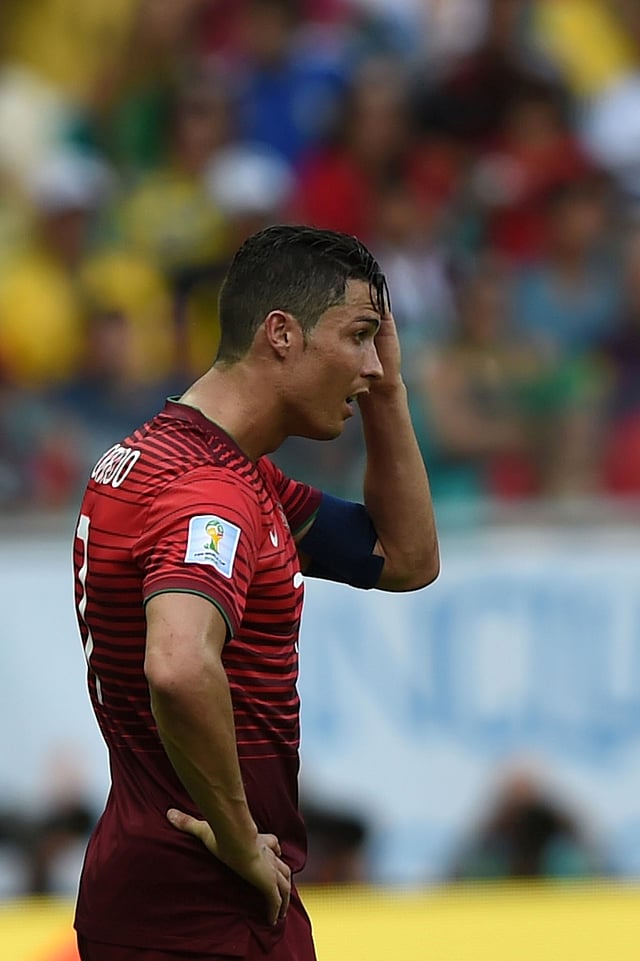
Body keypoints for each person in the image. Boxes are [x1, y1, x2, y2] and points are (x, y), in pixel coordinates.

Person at [71, 224, 440, 961]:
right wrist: (240, 842)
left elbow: (404, 557)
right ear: (280, 333)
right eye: (360, 336)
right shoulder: (210, 492)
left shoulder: (174, 458)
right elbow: (177, 664)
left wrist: (389, 394)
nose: (371, 365)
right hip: (204, 906)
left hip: (153, 886)